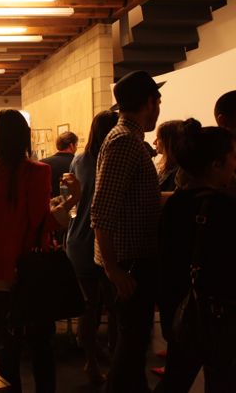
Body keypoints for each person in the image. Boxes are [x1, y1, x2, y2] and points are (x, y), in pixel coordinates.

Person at [0, 109, 79, 392]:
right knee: (41, 344)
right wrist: (71, 201)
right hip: (33, 267)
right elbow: (42, 222)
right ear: (25, 136)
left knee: (8, 345)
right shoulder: (39, 171)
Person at [90, 70, 163, 393]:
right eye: (158, 101)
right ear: (149, 103)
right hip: (128, 263)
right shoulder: (124, 141)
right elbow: (102, 210)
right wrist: (113, 268)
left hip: (129, 261)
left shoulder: (128, 140)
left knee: (133, 348)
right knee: (131, 347)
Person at [159, 119, 236, 392]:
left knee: (174, 381)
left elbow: (167, 262)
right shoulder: (225, 208)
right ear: (216, 164)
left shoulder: (175, 203)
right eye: (233, 156)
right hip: (219, 316)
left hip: (182, 313)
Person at [66, 109, 119, 385]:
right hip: (105, 240)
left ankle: (91, 362)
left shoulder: (79, 159)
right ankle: (117, 362)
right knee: (116, 306)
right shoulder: (114, 159)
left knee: (89, 307)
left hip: (78, 239)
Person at [41, 131, 79, 197]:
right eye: (76, 145)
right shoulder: (77, 163)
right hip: (70, 202)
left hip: (48, 202)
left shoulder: (43, 163)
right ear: (71, 145)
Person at [153, 120, 184, 192]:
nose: (154, 142)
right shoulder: (167, 169)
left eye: (158, 138)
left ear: (169, 142)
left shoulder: (180, 172)